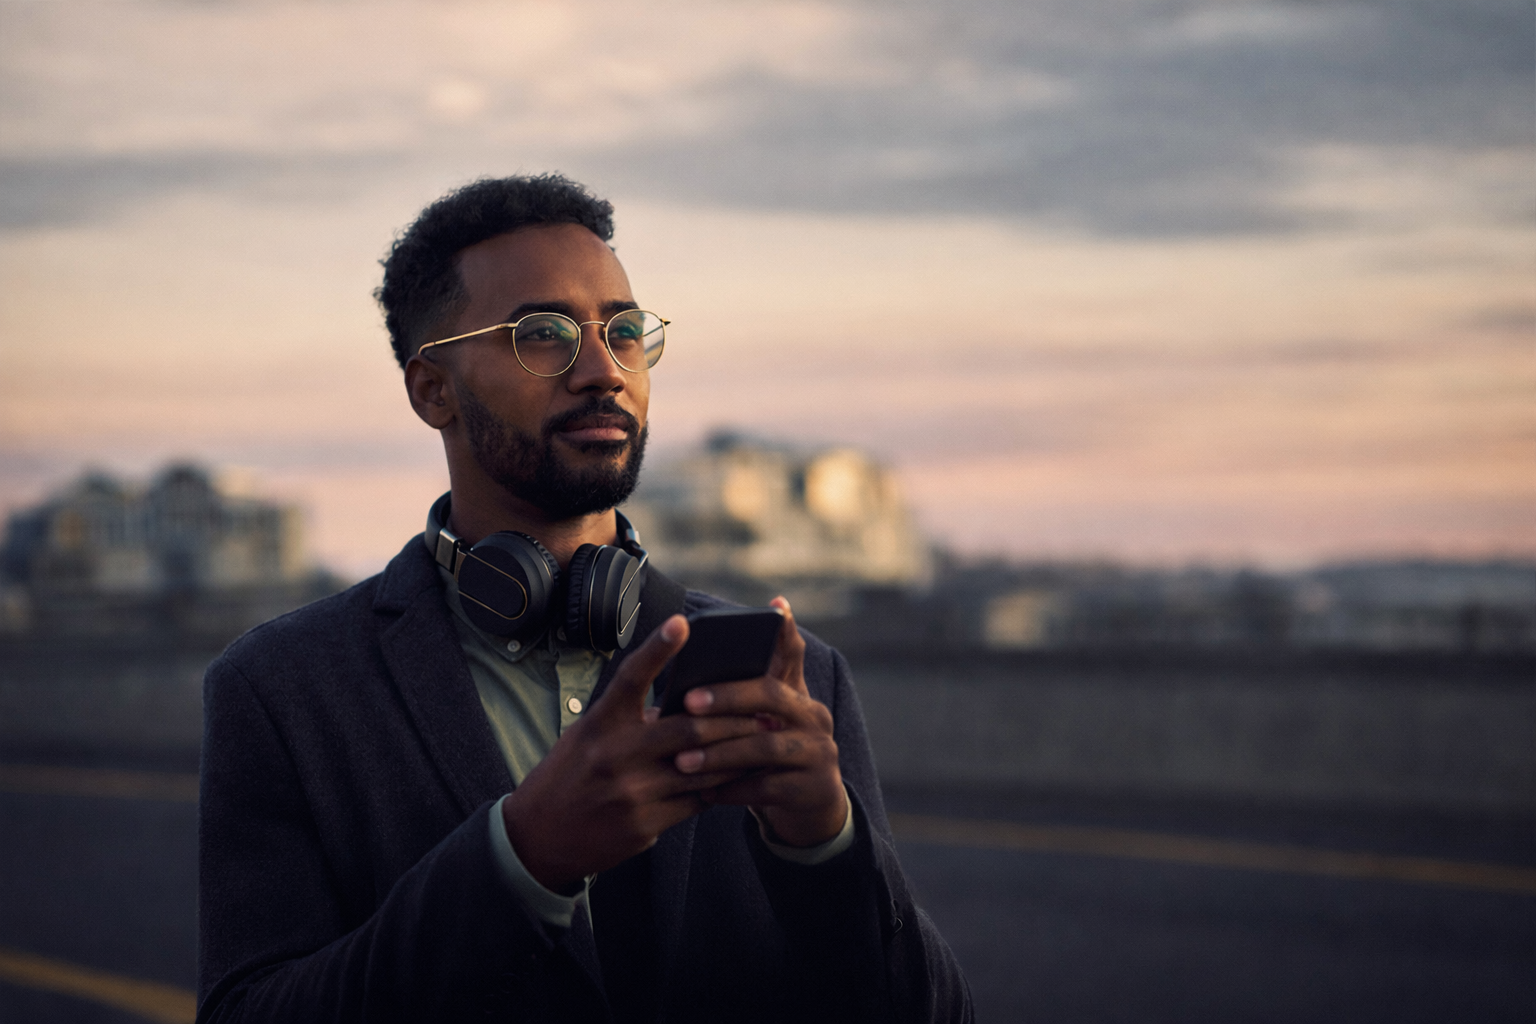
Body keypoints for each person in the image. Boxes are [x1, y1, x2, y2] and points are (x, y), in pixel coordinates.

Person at [197, 174, 972, 1023]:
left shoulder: (799, 675)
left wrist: (827, 845)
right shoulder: (281, 688)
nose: (603, 371)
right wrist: (523, 858)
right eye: (543, 335)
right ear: (433, 391)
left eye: (625, 331)